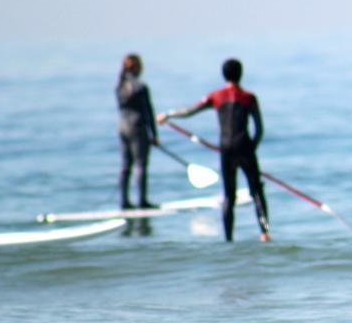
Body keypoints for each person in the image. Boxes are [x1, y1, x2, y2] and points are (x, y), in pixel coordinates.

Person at [157, 59, 271, 243]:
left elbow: (188, 111)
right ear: (240, 74)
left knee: (228, 196)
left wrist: (167, 115)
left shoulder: (216, 96)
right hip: (245, 148)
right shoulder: (249, 97)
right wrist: (253, 148)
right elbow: (259, 129)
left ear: (224, 75)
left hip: (226, 148)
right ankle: (265, 233)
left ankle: (228, 239)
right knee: (256, 191)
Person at [116, 53, 158, 209]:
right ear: (137, 67)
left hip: (122, 127)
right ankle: (142, 201)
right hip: (137, 127)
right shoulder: (140, 87)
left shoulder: (119, 86)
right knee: (141, 165)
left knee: (126, 165)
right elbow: (148, 111)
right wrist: (154, 134)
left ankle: (124, 202)